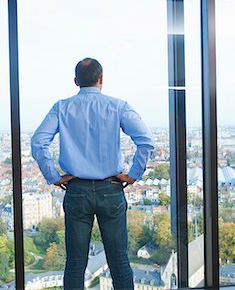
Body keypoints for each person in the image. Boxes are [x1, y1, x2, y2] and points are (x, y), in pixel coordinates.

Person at [31, 58, 154, 290]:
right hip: (111, 189)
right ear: (101, 79)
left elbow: (38, 142)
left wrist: (53, 176)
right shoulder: (119, 106)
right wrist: (134, 174)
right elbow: (146, 141)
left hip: (77, 191)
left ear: (76, 81)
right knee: (119, 261)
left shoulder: (62, 107)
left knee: (75, 263)